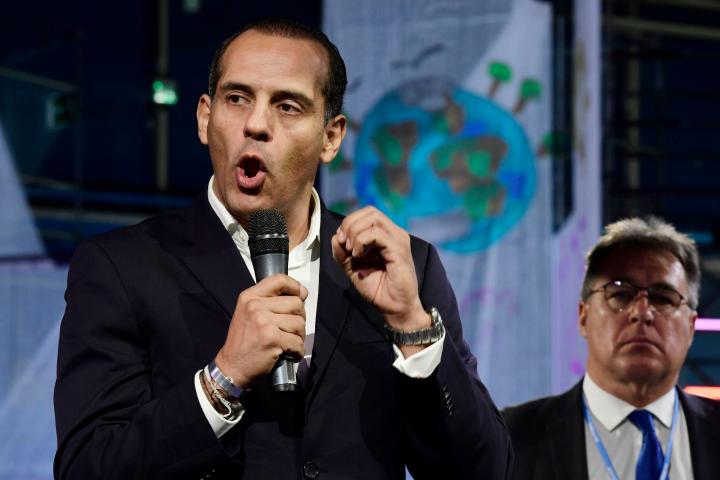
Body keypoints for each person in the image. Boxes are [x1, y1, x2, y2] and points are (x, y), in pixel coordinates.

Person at [53, 18, 512, 480]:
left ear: (331, 137)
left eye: (288, 106)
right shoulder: (122, 267)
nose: (255, 124)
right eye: (237, 99)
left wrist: (413, 329)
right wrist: (222, 380)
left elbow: (486, 471)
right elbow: (88, 467)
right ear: (205, 118)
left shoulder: (401, 266)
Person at [503, 217, 720, 479]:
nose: (642, 312)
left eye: (663, 298)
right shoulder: (510, 438)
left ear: (691, 327)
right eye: (620, 294)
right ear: (583, 316)